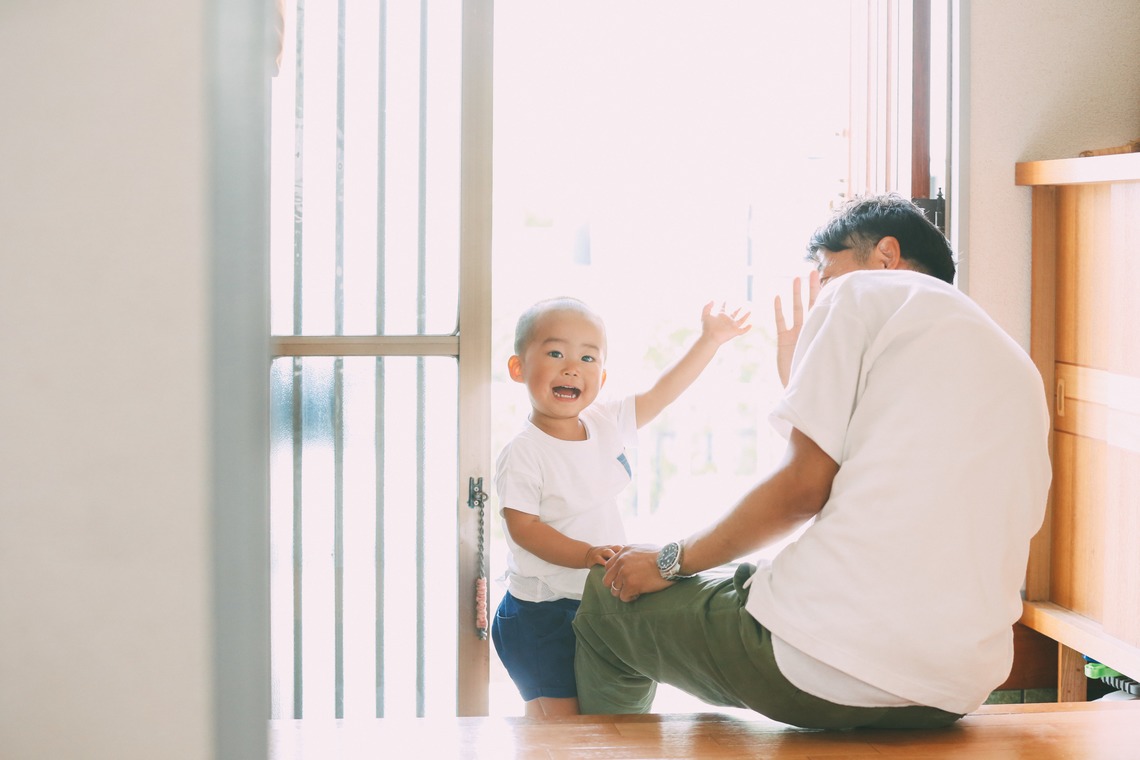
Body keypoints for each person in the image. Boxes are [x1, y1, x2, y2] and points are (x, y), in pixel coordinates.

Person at [572, 194, 1053, 729]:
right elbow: (879, 475)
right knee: (736, 574)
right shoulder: (1010, 359)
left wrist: (669, 561)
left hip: (828, 666)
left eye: (824, 272)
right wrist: (799, 369)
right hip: (956, 687)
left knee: (606, 598)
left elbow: (801, 491)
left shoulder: (859, 292)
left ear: (886, 255)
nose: (819, 289)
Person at [494, 296, 751, 717]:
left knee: (597, 723)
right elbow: (524, 528)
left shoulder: (602, 421)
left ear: (602, 374)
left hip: (594, 602)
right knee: (558, 728)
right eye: (555, 352)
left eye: (588, 357)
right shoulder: (524, 451)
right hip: (542, 614)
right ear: (518, 368)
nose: (572, 367)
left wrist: (711, 339)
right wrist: (584, 554)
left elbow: (662, 394)